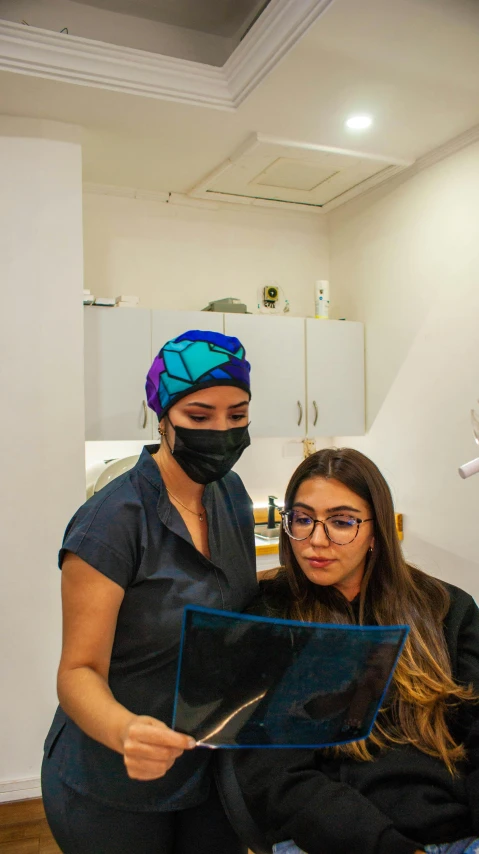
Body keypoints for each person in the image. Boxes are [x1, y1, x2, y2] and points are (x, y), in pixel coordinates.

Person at [41, 329, 258, 854]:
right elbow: (77, 674)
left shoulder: (231, 495)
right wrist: (126, 731)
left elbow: (225, 596)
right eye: (199, 416)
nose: (222, 432)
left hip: (208, 770)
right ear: (160, 415)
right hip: (114, 783)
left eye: (238, 415)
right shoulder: (111, 522)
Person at [224, 448, 479, 854]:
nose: (316, 541)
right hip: (332, 840)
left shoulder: (447, 608)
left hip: (456, 834)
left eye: (341, 522)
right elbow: (277, 777)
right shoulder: (270, 619)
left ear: (376, 530)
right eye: (303, 520)